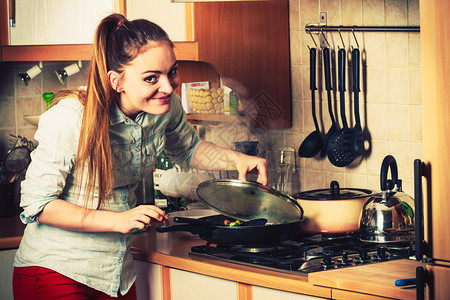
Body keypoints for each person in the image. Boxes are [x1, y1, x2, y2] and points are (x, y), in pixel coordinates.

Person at [12, 13, 267, 300]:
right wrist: (119, 220)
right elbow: (38, 205)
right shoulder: (71, 118)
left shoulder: (165, 109)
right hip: (55, 272)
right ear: (116, 81)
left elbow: (189, 149)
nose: (169, 87)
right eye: (151, 78)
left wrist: (236, 160)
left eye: (172, 72)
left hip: (116, 274)